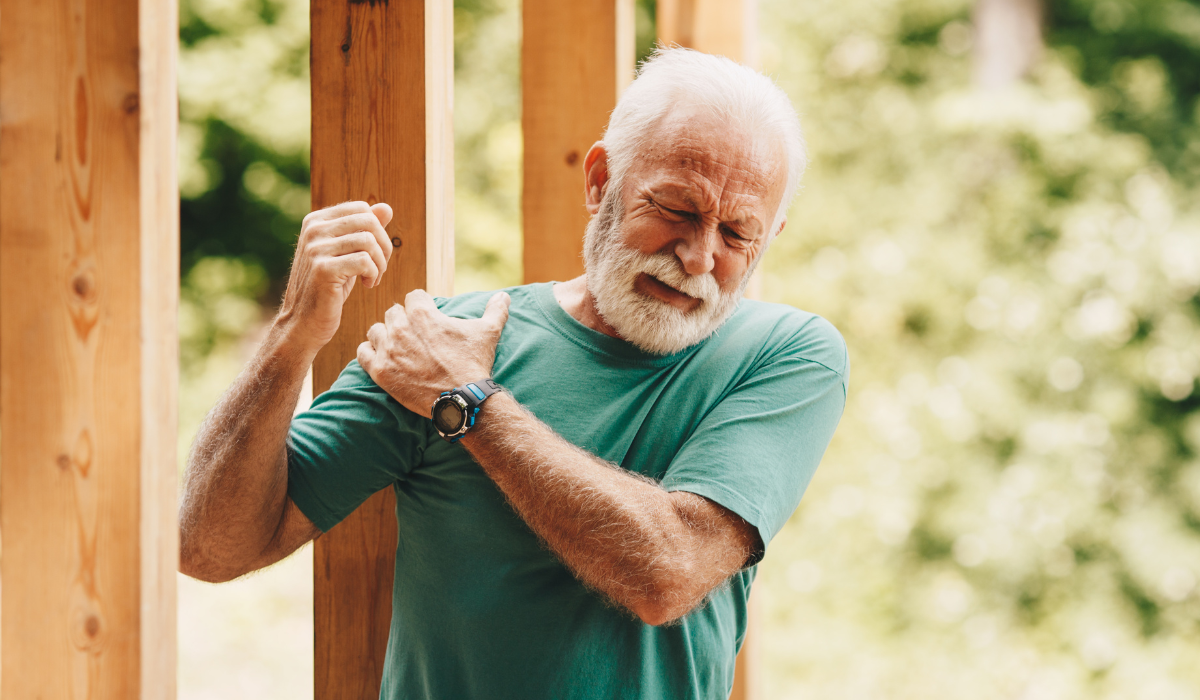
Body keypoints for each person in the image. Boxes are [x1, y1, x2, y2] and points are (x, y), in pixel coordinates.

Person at [179, 48, 848, 700]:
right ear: (600, 180)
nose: (700, 256)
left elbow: (668, 573)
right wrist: (294, 333)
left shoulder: (788, 355)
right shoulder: (442, 342)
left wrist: (467, 402)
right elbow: (209, 548)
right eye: (676, 208)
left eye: (738, 234)